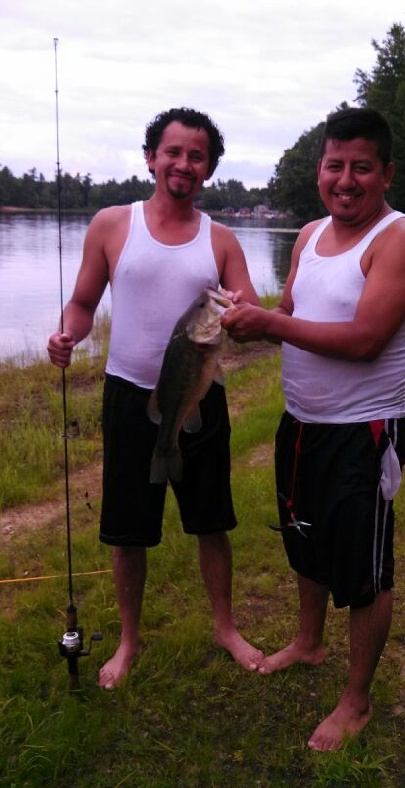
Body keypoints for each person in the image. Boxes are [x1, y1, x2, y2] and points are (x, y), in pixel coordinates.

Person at [222, 107, 405, 751]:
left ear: (386, 172)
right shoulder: (311, 233)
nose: (346, 180)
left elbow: (367, 340)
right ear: (320, 169)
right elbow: (291, 312)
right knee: (306, 541)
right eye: (334, 166)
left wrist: (272, 325)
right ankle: (309, 643)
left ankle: (357, 699)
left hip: (363, 434)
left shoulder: (402, 239)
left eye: (361, 168)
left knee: (365, 570)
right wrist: (246, 316)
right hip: (301, 425)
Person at [48, 107, 264, 689]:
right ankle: (128, 639)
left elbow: (245, 306)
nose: (184, 164)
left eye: (197, 156)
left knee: (211, 520)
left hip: (199, 395)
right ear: (151, 157)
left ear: (209, 169)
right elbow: (83, 304)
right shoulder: (112, 225)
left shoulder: (220, 239)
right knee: (128, 528)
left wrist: (243, 313)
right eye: (173, 152)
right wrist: (68, 333)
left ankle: (225, 626)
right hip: (128, 396)